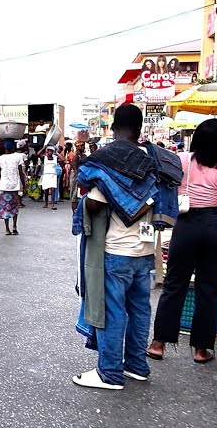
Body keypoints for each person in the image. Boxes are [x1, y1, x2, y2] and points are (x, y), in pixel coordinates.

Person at [72, 104, 169, 390]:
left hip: (116, 250)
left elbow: (95, 202)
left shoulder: (111, 160)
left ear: (114, 128)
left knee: (112, 311)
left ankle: (110, 373)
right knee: (139, 309)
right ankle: (137, 366)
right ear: (140, 129)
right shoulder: (156, 159)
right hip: (145, 249)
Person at [149, 118, 217, 363]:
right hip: (214, 225)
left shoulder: (182, 160)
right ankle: (201, 349)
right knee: (208, 288)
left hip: (187, 225)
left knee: (174, 285)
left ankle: (158, 343)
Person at [0, 143, 28, 235]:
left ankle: (7, 229)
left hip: (4, 186)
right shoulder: (18, 158)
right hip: (15, 186)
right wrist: (24, 186)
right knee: (14, 208)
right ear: (13, 148)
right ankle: (14, 226)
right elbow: (21, 173)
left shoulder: (0, 158)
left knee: (5, 208)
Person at [41, 145, 59, 209]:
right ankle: (46, 203)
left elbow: (63, 159)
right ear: (47, 151)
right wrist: (43, 148)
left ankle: (52, 204)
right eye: (49, 151)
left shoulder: (55, 157)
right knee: (46, 190)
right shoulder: (44, 157)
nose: (50, 152)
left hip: (53, 174)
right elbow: (37, 154)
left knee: (53, 189)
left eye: (52, 151)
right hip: (46, 174)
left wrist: (57, 153)